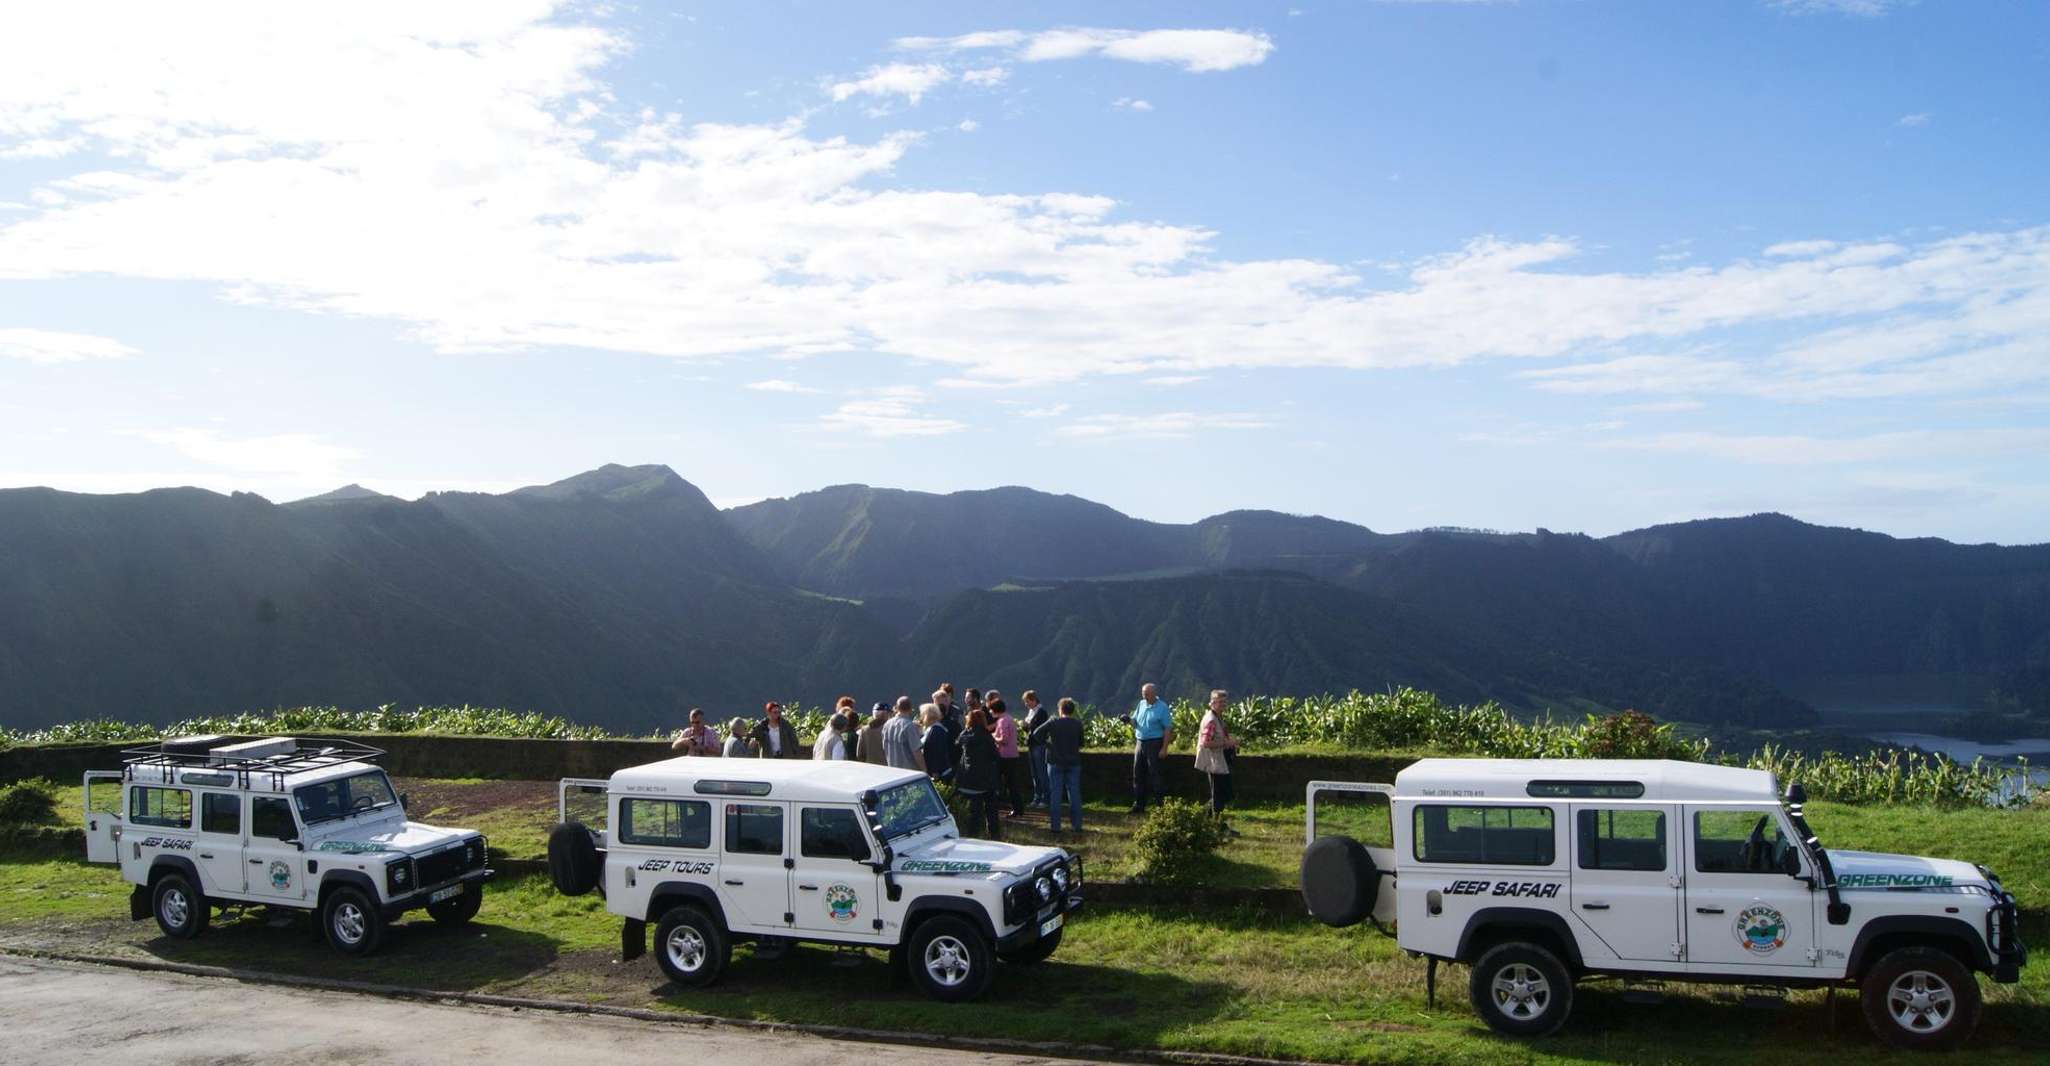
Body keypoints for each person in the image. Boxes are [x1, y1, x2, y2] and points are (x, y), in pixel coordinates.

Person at [1032, 697, 1086, 833]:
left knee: (1055, 794)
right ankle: (1077, 825)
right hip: (1073, 762)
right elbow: (1081, 743)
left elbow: (1036, 733)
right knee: (1074, 793)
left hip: (1055, 761)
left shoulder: (1053, 722)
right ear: (1072, 710)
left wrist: (1047, 744)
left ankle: (1055, 826)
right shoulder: (1077, 724)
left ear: (1060, 709)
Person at [953, 708, 1002, 839]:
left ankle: (971, 834)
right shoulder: (986, 737)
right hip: (986, 779)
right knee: (991, 808)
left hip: (967, 779)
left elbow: (957, 742)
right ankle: (994, 833)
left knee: (973, 811)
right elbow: (995, 756)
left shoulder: (965, 737)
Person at [1195, 688, 1240, 825]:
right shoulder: (1211, 720)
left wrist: (1228, 743)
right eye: (1219, 702)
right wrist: (1226, 742)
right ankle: (1216, 824)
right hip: (1214, 762)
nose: (1222, 705)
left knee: (1223, 793)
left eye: (1224, 702)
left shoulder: (1217, 717)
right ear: (1212, 703)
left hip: (1219, 760)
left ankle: (1204, 818)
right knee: (1220, 794)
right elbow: (1206, 742)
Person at [1129, 682, 1175, 814]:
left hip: (1155, 743)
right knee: (1138, 774)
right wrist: (1128, 720)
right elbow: (1135, 721)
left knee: (1156, 775)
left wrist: (1164, 748)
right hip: (1140, 742)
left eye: (1147, 694)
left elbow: (1167, 728)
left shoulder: (1162, 707)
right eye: (1143, 694)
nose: (1145, 696)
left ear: (1154, 694)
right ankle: (1139, 804)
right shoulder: (1141, 704)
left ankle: (1161, 806)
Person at [989, 697, 1026, 817]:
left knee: (1009, 784)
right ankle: (1018, 808)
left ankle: (1015, 809)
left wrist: (993, 737)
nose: (990, 712)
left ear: (995, 710)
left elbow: (1003, 740)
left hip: (1005, 756)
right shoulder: (1008, 719)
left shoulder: (1002, 721)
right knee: (1013, 784)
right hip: (1012, 755)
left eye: (991, 710)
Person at [1021, 690, 1051, 808]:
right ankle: (1037, 797)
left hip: (1039, 745)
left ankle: (1045, 798)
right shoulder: (1031, 712)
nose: (1026, 704)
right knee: (1035, 773)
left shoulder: (1041, 712)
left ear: (1033, 700)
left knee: (1041, 772)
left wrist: (1027, 726)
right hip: (1032, 744)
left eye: (1027, 702)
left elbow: (1039, 728)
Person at [881, 695, 925, 772]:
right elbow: (916, 752)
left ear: (897, 708)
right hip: (909, 773)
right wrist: (924, 770)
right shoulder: (909, 726)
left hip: (893, 769)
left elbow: (884, 747)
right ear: (911, 709)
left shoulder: (887, 724)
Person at [918, 703, 955, 782]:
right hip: (937, 771)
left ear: (927, 716)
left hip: (940, 773)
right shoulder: (931, 729)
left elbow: (937, 752)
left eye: (922, 714)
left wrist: (935, 771)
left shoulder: (937, 730)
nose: (921, 718)